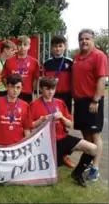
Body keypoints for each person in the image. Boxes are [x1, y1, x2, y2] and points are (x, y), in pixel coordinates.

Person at [29, 76, 98, 187]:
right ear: (41, 89)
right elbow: (29, 126)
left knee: (93, 149)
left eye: (53, 89)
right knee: (51, 177)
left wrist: (62, 118)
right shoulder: (34, 105)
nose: (50, 92)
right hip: (46, 142)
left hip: (63, 138)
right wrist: (41, 120)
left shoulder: (60, 103)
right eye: (47, 89)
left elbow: (70, 125)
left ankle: (77, 174)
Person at [72, 29, 107, 181]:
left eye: (87, 39)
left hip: (92, 101)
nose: (84, 41)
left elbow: (101, 79)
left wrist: (95, 100)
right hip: (80, 102)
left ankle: (95, 168)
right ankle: (87, 163)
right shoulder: (77, 57)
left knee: (95, 134)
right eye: (81, 39)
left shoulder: (99, 56)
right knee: (85, 135)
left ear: (92, 40)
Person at [43, 35, 74, 168]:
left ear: (64, 47)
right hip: (51, 96)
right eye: (55, 46)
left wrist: (72, 98)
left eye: (60, 46)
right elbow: (44, 81)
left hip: (65, 96)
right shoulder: (47, 63)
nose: (57, 49)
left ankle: (65, 155)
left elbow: (74, 80)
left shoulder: (70, 62)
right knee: (50, 123)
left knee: (65, 124)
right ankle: (49, 152)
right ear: (51, 48)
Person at [0, 74, 31, 145]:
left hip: (16, 147)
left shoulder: (25, 105)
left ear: (21, 88)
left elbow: (26, 129)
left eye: (18, 87)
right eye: (12, 87)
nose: (15, 90)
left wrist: (28, 146)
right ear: (6, 87)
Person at [2, 36, 40, 104]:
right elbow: (4, 77)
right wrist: (9, 88)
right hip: (12, 93)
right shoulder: (9, 61)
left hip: (27, 94)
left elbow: (35, 79)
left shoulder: (34, 62)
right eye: (20, 45)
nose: (22, 47)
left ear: (29, 46)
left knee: (25, 113)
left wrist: (29, 89)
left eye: (25, 45)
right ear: (16, 46)